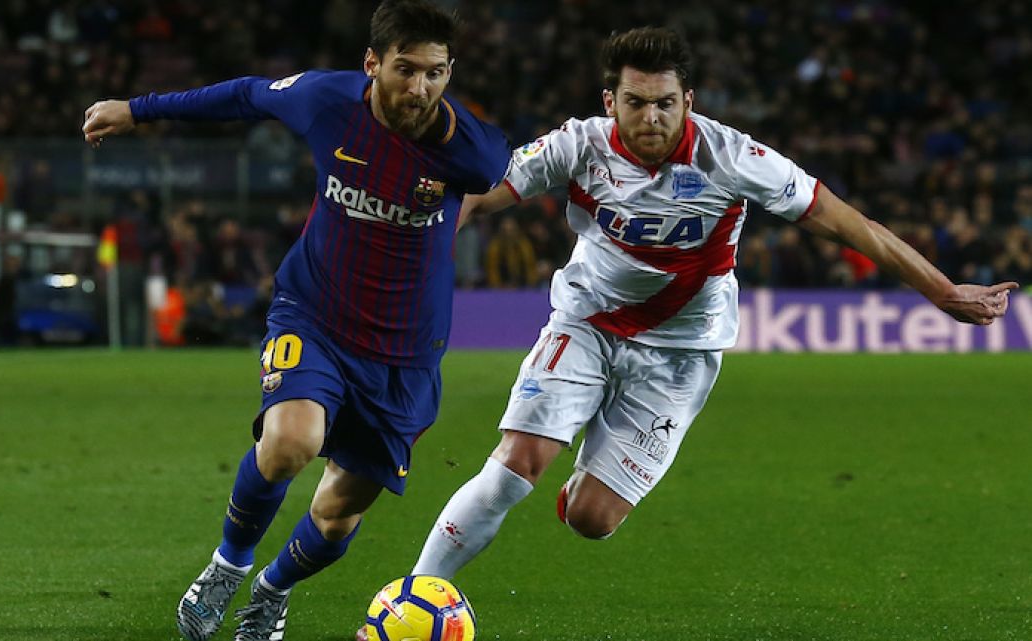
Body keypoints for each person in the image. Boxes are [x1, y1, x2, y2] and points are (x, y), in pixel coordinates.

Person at [401, 25, 1018, 603]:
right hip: (586, 323)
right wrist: (424, 256)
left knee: (592, 520)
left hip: (681, 350)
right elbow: (480, 198)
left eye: (666, 103)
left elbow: (849, 224)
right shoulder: (577, 145)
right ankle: (412, 602)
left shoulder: (733, 157)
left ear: (687, 99)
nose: (652, 117)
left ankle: (587, 485)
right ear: (609, 99)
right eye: (636, 101)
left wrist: (939, 290)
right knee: (515, 468)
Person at [81, 2, 509, 641]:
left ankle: (271, 591)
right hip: (315, 315)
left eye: (436, 73)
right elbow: (246, 94)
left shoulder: (469, 152)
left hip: (405, 353)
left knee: (339, 512)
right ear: (372, 64)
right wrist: (137, 109)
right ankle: (228, 564)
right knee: (290, 442)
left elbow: (505, 174)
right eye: (405, 69)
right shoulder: (324, 100)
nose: (420, 89)